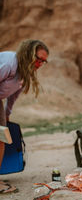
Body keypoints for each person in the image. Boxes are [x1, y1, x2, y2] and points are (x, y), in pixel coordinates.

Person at [0, 39, 49, 167]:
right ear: (29, 53)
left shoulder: (25, 72)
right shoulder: (9, 63)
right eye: (38, 59)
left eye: (43, 61)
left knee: (2, 138)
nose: (40, 64)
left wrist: (6, 114)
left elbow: (13, 97)